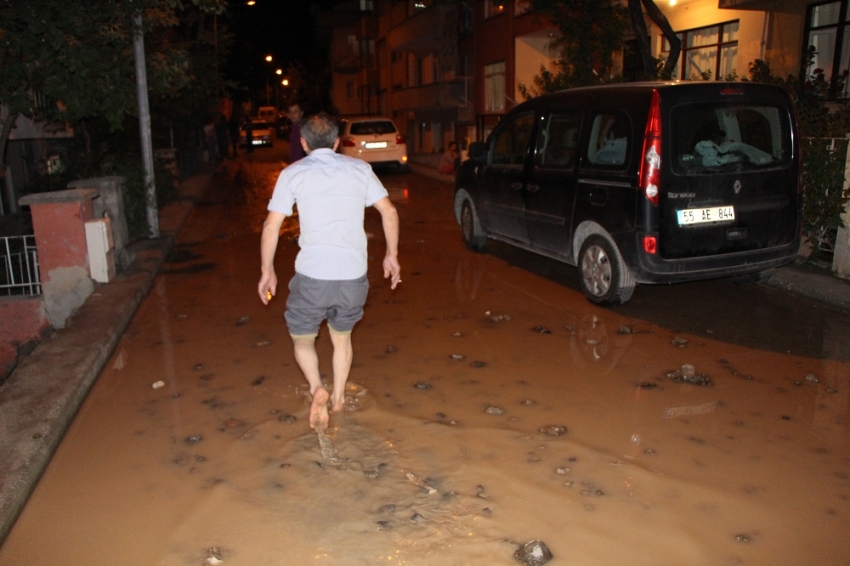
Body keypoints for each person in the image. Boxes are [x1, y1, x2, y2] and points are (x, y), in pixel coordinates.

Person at [258, 112, 401, 431]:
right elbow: (388, 212)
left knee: (302, 337)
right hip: (352, 275)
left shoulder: (293, 173)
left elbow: (271, 226)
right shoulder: (360, 169)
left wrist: (267, 271)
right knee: (342, 338)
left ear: (304, 142)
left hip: (313, 275)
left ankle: (315, 387)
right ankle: (337, 400)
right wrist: (391, 256)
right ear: (337, 142)